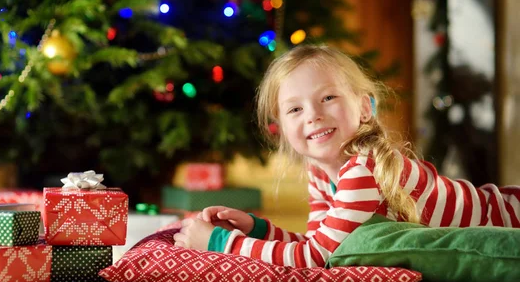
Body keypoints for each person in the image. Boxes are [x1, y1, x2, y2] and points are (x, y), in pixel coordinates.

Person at [173, 44, 520, 268]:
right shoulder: (321, 172)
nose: (313, 115)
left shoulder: (363, 168)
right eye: (294, 109)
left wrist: (220, 243)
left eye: (327, 98)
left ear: (365, 108)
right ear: (279, 128)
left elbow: (315, 260)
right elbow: (321, 243)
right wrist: (258, 230)